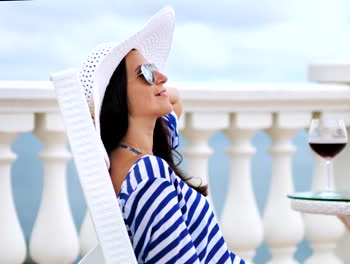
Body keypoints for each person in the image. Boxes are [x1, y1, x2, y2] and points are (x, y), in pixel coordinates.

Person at [78, 6, 246, 264]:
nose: (162, 77)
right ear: (116, 97)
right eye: (144, 73)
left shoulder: (133, 155)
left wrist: (155, 94)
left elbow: (174, 102)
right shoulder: (149, 176)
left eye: (154, 67)